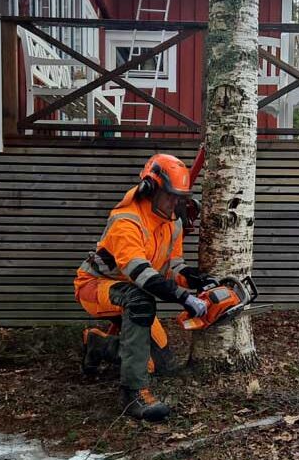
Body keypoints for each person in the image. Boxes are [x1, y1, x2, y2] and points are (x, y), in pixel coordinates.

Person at [74, 153, 216, 422]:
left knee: (162, 364)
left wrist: (195, 279)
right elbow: (141, 273)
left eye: (179, 197)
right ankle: (134, 395)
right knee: (140, 302)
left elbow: (172, 266)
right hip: (96, 287)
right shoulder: (126, 220)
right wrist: (183, 297)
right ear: (150, 189)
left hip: (131, 289)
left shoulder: (171, 221)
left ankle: (99, 343)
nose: (176, 202)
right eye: (171, 195)